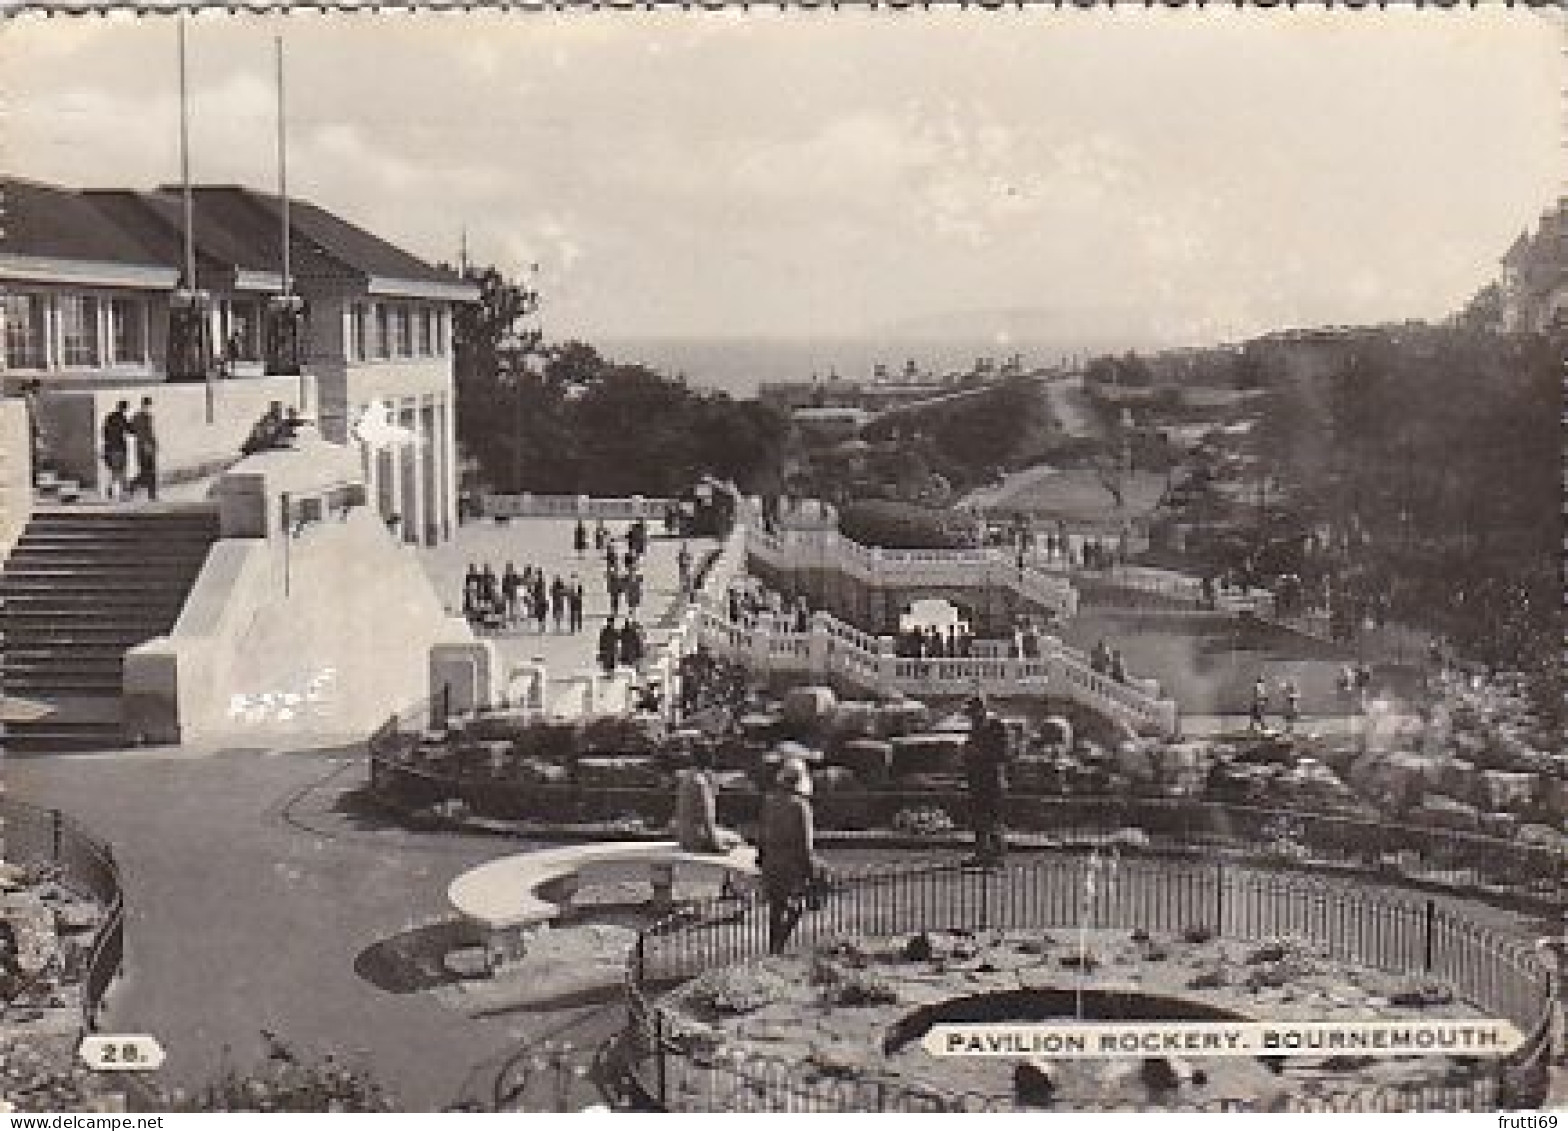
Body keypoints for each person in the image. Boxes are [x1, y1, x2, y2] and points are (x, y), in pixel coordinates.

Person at [758, 756, 823, 954]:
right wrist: (811, 872)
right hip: (791, 864)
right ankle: (779, 945)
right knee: (797, 906)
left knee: (776, 908)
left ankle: (772, 948)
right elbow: (805, 845)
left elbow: (762, 834)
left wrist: (762, 857)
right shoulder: (800, 806)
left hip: (771, 861)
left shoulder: (770, 802)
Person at [962, 695, 1009, 867]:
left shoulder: (996, 726)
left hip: (993, 779)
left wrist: (979, 753)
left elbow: (1002, 754)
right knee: (978, 818)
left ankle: (997, 856)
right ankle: (980, 853)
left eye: (974, 713)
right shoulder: (974, 728)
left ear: (982, 710)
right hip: (976, 780)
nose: (972, 717)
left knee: (994, 818)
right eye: (970, 714)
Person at [673, 743, 744, 854]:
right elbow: (707, 819)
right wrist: (717, 845)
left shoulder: (689, 776)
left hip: (684, 836)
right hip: (697, 839)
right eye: (711, 754)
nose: (714, 757)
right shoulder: (700, 783)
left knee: (729, 835)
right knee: (738, 840)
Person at [100, 400, 131, 500]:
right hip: (119, 447)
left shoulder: (109, 417)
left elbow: (104, 431)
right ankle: (122, 494)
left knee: (113, 470)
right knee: (121, 470)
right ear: (124, 408)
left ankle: (110, 490)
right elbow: (130, 430)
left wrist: (107, 442)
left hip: (109, 447)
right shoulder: (122, 418)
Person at [129, 396, 158, 500]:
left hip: (146, 447)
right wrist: (147, 444)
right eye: (148, 406)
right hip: (144, 448)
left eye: (149, 406)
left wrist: (154, 444)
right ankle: (132, 485)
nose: (148, 408)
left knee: (149, 472)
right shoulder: (140, 417)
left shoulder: (143, 417)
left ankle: (151, 495)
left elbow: (148, 432)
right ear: (144, 405)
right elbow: (142, 433)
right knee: (147, 472)